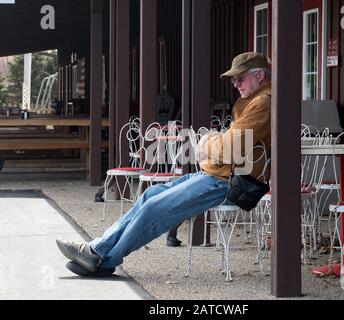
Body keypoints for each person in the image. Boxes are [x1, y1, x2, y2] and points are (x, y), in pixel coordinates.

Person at [56, 52, 272, 276]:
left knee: (154, 208)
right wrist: (217, 142)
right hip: (217, 175)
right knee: (150, 196)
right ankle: (98, 252)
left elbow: (230, 148)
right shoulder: (254, 101)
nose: (236, 84)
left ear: (259, 75)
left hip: (229, 183)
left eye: (240, 78)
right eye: (233, 79)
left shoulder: (262, 104)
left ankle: (102, 257)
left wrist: (207, 142)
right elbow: (232, 144)